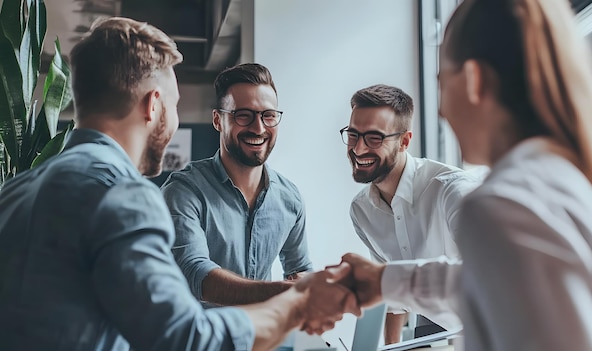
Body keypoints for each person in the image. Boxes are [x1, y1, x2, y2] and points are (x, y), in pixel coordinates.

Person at [0, 17, 359, 351]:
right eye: (175, 104)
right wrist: (296, 304)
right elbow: (185, 337)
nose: (173, 120)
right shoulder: (124, 194)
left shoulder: (14, 193)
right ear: (154, 105)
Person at [333, 0, 592, 350]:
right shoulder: (563, 179)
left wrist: (386, 281)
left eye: (442, 83)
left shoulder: (497, 204)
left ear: (473, 79)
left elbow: (491, 288)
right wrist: (384, 281)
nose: (440, 109)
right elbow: (492, 282)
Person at [161, 63, 313, 306]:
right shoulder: (184, 191)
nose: (259, 127)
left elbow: (300, 268)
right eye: (244, 115)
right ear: (218, 120)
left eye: (268, 115)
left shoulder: (289, 198)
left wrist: (314, 286)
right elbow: (196, 273)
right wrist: (283, 293)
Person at [341, 84, 484, 343]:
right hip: (434, 325)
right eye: (353, 134)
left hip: (487, 328)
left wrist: (384, 279)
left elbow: (485, 275)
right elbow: (393, 300)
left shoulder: (452, 191)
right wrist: (392, 348)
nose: (358, 149)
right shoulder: (361, 211)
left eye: (374, 138)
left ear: (404, 141)